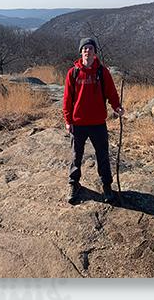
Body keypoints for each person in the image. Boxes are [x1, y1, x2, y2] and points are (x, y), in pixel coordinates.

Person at [62, 37, 124, 205]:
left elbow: (111, 92)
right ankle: (74, 184)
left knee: (103, 155)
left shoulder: (102, 72)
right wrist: (68, 120)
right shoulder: (73, 72)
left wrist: (117, 107)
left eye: (90, 48)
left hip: (98, 123)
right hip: (78, 123)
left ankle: (106, 185)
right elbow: (67, 99)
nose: (87, 51)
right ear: (81, 52)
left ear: (95, 52)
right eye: (84, 49)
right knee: (76, 156)